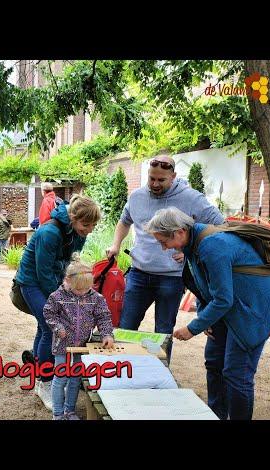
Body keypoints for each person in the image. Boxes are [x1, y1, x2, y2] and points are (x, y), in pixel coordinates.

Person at [144, 207, 270, 420]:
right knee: (214, 362)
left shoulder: (212, 245)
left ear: (180, 231)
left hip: (254, 311)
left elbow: (222, 299)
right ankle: (216, 415)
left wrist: (193, 328)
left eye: (164, 241)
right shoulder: (193, 245)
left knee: (236, 374)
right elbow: (206, 287)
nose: (163, 248)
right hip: (232, 308)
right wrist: (206, 317)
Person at [106, 155, 224, 358]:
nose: (155, 184)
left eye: (161, 180)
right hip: (139, 273)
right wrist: (116, 244)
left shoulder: (191, 198)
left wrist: (190, 251)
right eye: (151, 178)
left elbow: (219, 225)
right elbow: (124, 221)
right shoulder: (137, 197)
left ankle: (160, 372)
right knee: (126, 325)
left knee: (163, 330)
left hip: (171, 278)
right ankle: (120, 369)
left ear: (174, 176)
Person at [15, 194, 101, 410]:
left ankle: (38, 371)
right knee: (51, 328)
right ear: (72, 217)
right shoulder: (50, 232)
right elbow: (43, 272)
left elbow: (69, 261)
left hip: (51, 278)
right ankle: (45, 384)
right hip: (32, 281)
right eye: (86, 224)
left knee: (43, 328)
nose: (89, 229)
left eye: (93, 225)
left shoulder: (78, 231)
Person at [43, 253, 114, 420]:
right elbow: (48, 313)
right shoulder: (57, 297)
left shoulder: (96, 299)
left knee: (75, 379)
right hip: (62, 346)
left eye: (86, 288)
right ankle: (58, 414)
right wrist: (57, 327)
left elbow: (103, 316)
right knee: (60, 379)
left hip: (82, 346)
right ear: (67, 281)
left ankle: (70, 411)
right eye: (78, 289)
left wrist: (107, 334)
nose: (83, 292)